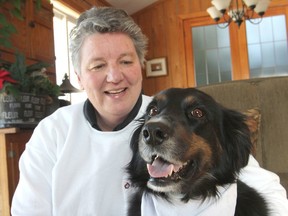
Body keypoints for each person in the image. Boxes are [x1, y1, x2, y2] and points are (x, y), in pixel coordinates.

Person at [11, 6, 288, 216]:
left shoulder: (168, 114)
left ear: (139, 66)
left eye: (125, 61)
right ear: (79, 78)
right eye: (97, 66)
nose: (114, 76)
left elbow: (267, 190)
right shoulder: (51, 133)